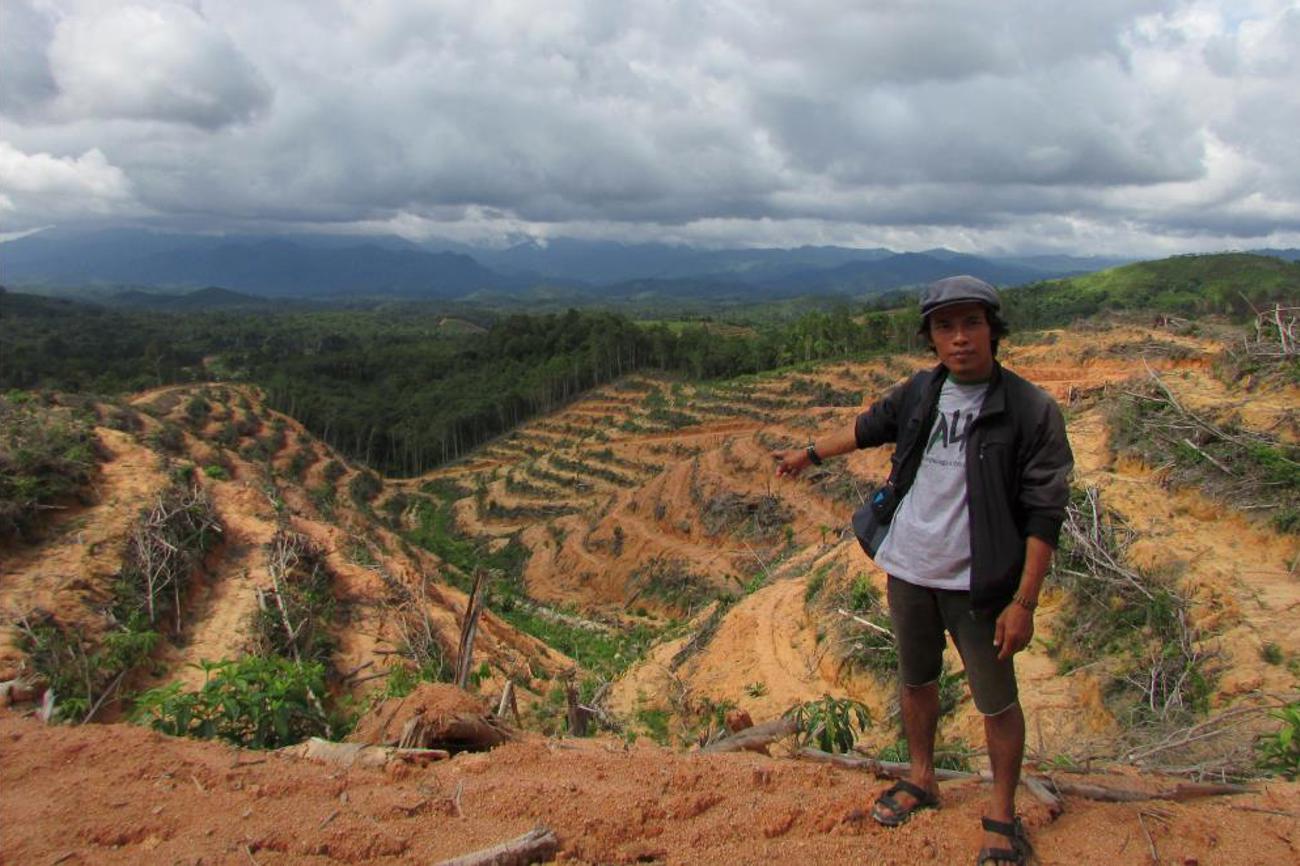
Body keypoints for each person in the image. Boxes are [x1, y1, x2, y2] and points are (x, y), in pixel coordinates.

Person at [772, 275, 1073, 866]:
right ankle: (921, 777)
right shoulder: (921, 392)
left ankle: (1002, 814)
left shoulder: (1030, 409)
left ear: (992, 330)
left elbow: (1045, 514)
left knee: (996, 701)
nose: (959, 338)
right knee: (916, 682)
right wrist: (807, 455)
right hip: (909, 567)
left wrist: (1024, 602)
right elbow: (868, 427)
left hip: (979, 583)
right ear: (931, 337)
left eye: (971, 324)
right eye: (945, 326)